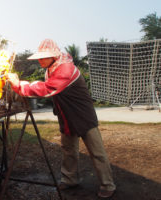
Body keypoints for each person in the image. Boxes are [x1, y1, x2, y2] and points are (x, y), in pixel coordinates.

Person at [6, 39, 116, 198]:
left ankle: (108, 184)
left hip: (82, 115)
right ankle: (70, 179)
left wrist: (18, 84)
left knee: (96, 151)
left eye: (44, 57)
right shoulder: (51, 68)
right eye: (40, 57)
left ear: (54, 56)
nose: (40, 60)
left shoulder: (66, 69)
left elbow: (47, 88)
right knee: (68, 149)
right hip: (65, 115)